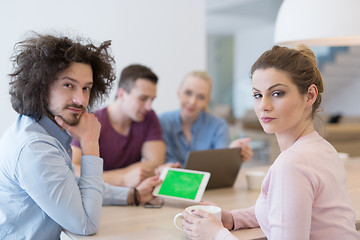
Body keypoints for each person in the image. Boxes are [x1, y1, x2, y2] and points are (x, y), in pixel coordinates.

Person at [180, 45, 360, 240]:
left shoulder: (291, 164)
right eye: (257, 95)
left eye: (277, 93)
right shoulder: (323, 149)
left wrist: (216, 234)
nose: (263, 106)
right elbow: (283, 210)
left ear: (310, 95)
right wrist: (233, 218)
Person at [0, 33, 161, 239]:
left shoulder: (41, 130)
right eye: (69, 85)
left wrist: (133, 195)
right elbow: (86, 224)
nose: (81, 99)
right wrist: (90, 142)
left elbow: (73, 188)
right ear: (41, 85)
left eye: (86, 88)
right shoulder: (35, 147)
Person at [71, 64, 165, 187]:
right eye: (143, 98)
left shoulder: (149, 117)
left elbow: (155, 163)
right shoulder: (90, 121)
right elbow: (73, 170)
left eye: (152, 99)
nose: (148, 106)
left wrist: (103, 176)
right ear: (121, 94)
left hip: (131, 197)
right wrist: (123, 178)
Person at [157, 71, 253, 171]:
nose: (192, 102)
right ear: (178, 93)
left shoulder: (219, 126)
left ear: (207, 101)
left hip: (209, 185)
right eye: (188, 93)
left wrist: (232, 152)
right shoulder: (162, 122)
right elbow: (158, 161)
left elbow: (221, 162)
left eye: (200, 97)